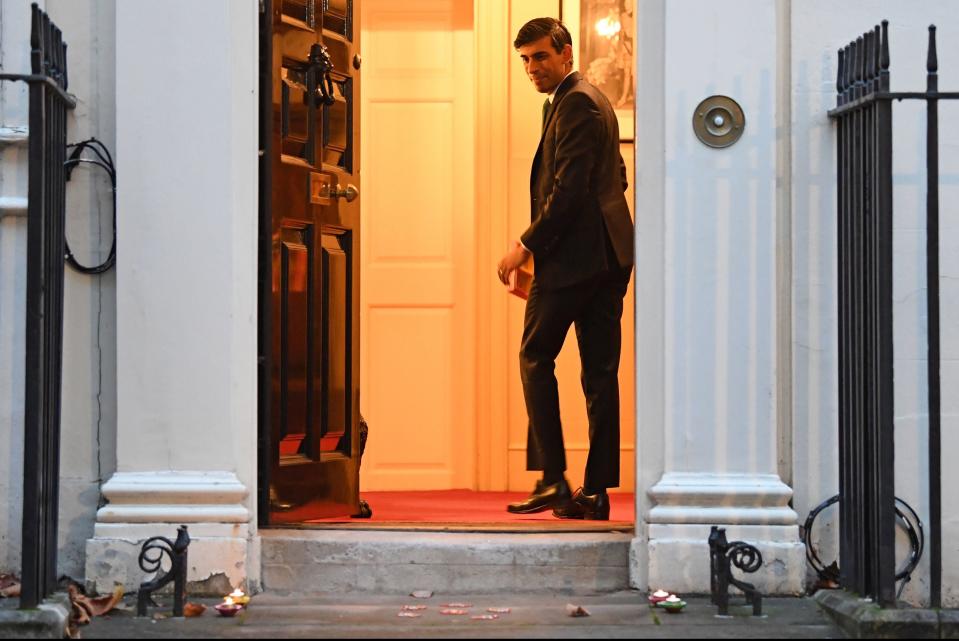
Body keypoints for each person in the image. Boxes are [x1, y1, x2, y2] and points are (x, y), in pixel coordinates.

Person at [497, 17, 633, 521]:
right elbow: (613, 176)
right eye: (526, 59)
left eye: (540, 57)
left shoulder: (575, 102)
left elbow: (568, 193)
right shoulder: (593, 98)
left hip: (576, 259)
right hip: (609, 256)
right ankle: (596, 494)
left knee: (535, 357)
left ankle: (554, 480)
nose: (532, 67)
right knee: (600, 373)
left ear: (566, 54)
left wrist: (525, 246)